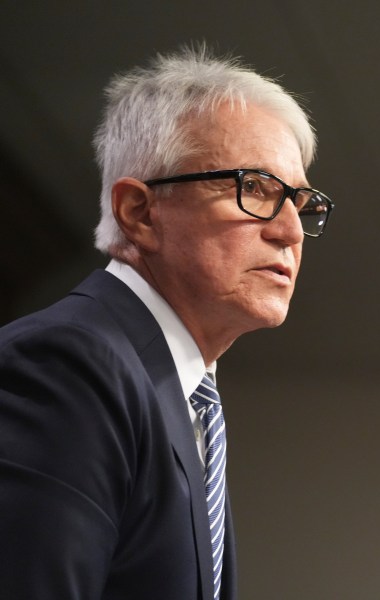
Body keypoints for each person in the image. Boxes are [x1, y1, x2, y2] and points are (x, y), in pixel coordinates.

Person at [0, 45, 333, 600]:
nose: (291, 233)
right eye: (255, 189)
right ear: (139, 211)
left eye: (300, 203)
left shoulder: (183, 396)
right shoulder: (68, 365)